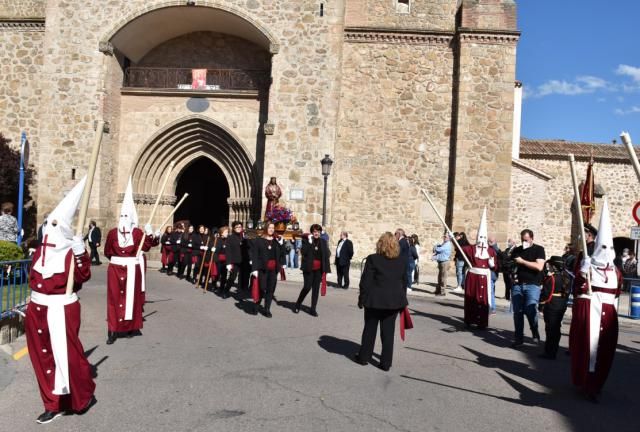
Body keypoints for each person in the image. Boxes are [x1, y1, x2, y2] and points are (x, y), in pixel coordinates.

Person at [25, 177, 96, 424]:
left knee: (67, 354)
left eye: (55, 225)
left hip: (62, 307)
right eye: (48, 225)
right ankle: (52, 402)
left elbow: (83, 276)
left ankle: (80, 395)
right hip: (37, 309)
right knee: (41, 356)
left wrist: (79, 252)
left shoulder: (69, 255)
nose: (50, 230)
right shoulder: (39, 253)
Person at [569, 199, 621, 402]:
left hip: (609, 314)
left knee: (605, 351)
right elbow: (580, 289)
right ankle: (586, 383)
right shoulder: (588, 267)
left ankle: (598, 383)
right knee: (589, 349)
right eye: (603, 246)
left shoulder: (616, 271)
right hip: (592, 311)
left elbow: (616, 292)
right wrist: (583, 272)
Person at [103, 179, 158, 345]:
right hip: (116, 268)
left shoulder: (137, 233)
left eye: (126, 216)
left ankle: (129, 327)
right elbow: (107, 251)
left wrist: (149, 235)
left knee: (131, 298)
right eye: (122, 215)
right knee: (114, 298)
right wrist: (118, 260)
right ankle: (112, 329)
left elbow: (147, 246)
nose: (124, 218)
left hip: (132, 269)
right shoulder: (113, 233)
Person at [354, 232, 408, 372]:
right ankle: (386, 363)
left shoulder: (373, 259)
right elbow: (404, 282)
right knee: (388, 333)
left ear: (380, 244)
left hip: (375, 301)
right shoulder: (401, 261)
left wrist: (362, 298)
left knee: (369, 330)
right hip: (393, 302)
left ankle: (364, 357)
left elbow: (366, 281)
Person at [461, 209, 498, 329]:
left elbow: (496, 266)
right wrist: (453, 238)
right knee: (471, 297)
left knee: (482, 298)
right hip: (472, 276)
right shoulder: (471, 249)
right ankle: (470, 319)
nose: (481, 239)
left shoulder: (491, 250)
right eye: (480, 236)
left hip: (484, 276)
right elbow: (461, 247)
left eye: (483, 237)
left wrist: (492, 264)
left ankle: (481, 321)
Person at [510, 229, 545, 348]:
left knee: (530, 310)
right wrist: (511, 275)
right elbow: (512, 265)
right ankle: (518, 338)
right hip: (518, 285)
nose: (523, 242)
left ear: (531, 238)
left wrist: (522, 261)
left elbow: (539, 267)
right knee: (517, 313)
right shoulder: (518, 250)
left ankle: (534, 330)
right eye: (522, 239)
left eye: (526, 240)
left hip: (532, 284)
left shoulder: (539, 249)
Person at [295, 224, 331, 316]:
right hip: (308, 268)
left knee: (316, 289)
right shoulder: (306, 241)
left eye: (318, 232)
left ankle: (313, 309)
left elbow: (327, 254)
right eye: (315, 232)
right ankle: (298, 303)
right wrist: (310, 242)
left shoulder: (323, 241)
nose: (316, 233)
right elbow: (304, 252)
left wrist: (326, 269)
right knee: (307, 287)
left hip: (318, 270)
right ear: (312, 232)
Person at [538, 256, 570, 360]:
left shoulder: (552, 278)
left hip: (552, 305)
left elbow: (546, 294)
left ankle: (549, 352)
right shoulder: (567, 277)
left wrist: (541, 305)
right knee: (556, 329)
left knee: (550, 329)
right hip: (562, 304)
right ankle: (553, 350)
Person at [250, 222, 285, 317]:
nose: (271, 229)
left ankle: (267, 309)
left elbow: (282, 253)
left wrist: (282, 245)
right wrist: (254, 269)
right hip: (262, 268)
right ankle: (256, 306)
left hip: (273, 269)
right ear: (266, 228)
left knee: (270, 290)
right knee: (261, 288)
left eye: (273, 228)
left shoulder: (276, 241)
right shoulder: (259, 240)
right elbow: (255, 255)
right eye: (270, 227)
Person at [221, 221, 244, 299]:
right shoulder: (230, 237)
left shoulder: (243, 237)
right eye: (237, 227)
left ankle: (240, 295)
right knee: (232, 278)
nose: (238, 228)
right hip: (234, 261)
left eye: (240, 227)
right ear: (234, 228)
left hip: (242, 261)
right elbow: (228, 251)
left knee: (242, 279)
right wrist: (228, 263)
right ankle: (226, 291)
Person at [488, 235, 500, 313]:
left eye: (490, 241)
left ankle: (492, 308)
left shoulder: (494, 250)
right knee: (491, 290)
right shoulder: (497, 250)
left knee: (490, 291)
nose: (489, 243)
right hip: (494, 273)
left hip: (492, 273)